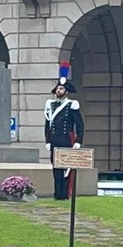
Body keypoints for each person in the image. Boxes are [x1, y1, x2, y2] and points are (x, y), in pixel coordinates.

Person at [44, 64, 84, 200]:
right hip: (55, 139)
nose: (58, 90)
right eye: (57, 88)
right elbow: (47, 125)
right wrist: (48, 141)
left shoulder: (71, 105)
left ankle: (65, 194)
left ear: (66, 91)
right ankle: (57, 194)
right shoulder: (50, 105)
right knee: (56, 168)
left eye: (61, 88)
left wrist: (78, 140)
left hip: (67, 139)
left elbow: (79, 125)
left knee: (67, 168)